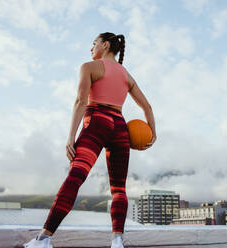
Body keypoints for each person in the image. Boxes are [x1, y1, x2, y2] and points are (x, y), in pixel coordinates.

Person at [24, 32, 156, 248]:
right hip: (120, 127)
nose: (91, 48)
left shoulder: (88, 67)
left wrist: (71, 136)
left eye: (93, 44)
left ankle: (44, 239)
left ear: (104, 45)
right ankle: (117, 241)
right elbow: (147, 107)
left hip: (97, 122)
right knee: (119, 189)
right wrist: (153, 132)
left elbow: (80, 101)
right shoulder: (126, 75)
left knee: (75, 177)